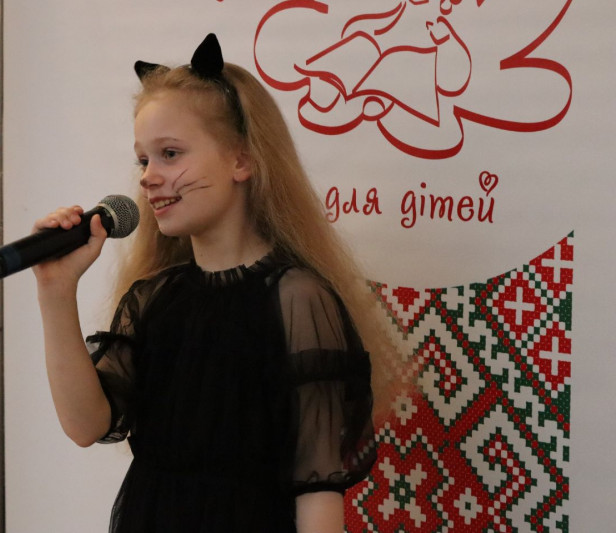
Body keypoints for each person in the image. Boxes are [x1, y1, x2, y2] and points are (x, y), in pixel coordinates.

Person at [32, 33, 397, 533]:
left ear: (241, 160)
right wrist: (56, 291)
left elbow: (317, 492)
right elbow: (85, 425)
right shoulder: (154, 299)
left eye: (170, 153)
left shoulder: (297, 298)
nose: (148, 177)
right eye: (143, 160)